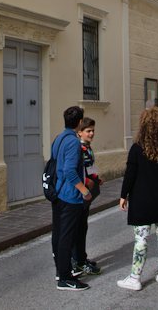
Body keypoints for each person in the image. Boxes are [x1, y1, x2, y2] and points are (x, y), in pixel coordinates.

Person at [118, 107, 158, 291]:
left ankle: (135, 277)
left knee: (141, 240)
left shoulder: (137, 148)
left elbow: (130, 174)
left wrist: (123, 195)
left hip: (142, 200)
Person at [51, 106, 92, 291]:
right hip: (70, 195)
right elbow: (69, 170)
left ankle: (61, 270)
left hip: (58, 193)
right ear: (80, 122)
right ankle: (65, 278)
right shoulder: (74, 142)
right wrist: (84, 191)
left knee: (59, 234)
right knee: (67, 237)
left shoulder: (58, 139)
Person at [71, 117, 103, 276]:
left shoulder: (87, 147)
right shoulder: (79, 148)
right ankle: (78, 261)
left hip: (88, 190)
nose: (91, 133)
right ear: (80, 132)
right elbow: (76, 170)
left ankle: (81, 257)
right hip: (80, 192)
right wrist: (86, 181)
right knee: (79, 227)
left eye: (93, 131)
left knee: (83, 226)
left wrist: (96, 178)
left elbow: (89, 167)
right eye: (88, 131)